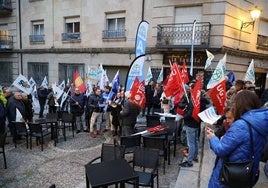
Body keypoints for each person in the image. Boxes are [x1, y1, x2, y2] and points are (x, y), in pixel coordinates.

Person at [206, 90, 268, 187]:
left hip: (230, 177)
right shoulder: (260, 123)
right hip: (247, 174)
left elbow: (221, 149)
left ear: (241, 105)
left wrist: (212, 138)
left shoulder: (241, 125)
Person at [178, 83, 200, 167]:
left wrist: (184, 117)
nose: (189, 89)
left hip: (190, 124)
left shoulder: (193, 100)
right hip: (196, 123)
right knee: (195, 141)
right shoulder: (198, 98)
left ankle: (189, 161)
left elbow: (190, 113)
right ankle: (194, 156)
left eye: (191, 88)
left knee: (191, 143)